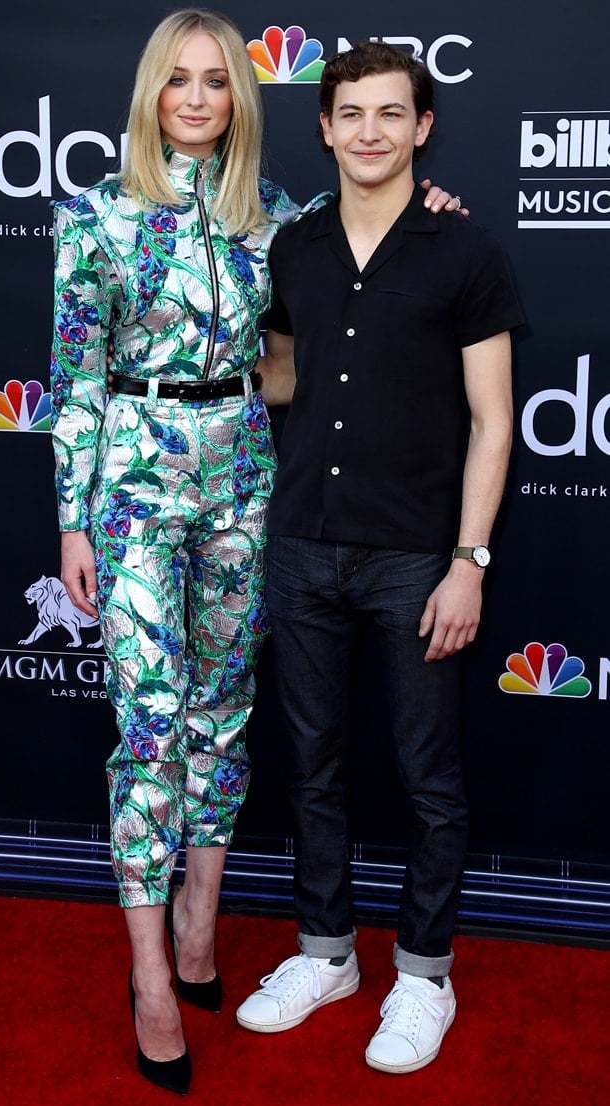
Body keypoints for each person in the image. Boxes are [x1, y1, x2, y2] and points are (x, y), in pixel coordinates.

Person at [50, 9, 462, 1094]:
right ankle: (149, 978)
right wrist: (73, 518)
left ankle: (199, 926)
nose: (195, 98)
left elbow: (358, 268)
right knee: (147, 726)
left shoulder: (279, 218)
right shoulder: (92, 218)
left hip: (246, 482)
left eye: (216, 81)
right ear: (152, 93)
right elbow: (76, 379)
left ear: (241, 96)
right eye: (177, 80)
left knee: (221, 716)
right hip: (133, 485)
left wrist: (431, 207)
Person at [236, 41, 524, 1076]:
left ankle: (421, 972)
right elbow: (279, 380)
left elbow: (493, 424)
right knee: (311, 769)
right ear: (322, 126)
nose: (368, 130)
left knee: (426, 777)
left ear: (421, 126)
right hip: (303, 546)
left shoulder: (464, 252)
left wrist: (468, 560)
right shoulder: (293, 250)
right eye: (349, 112)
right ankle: (326, 954)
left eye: (388, 114)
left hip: (416, 559)